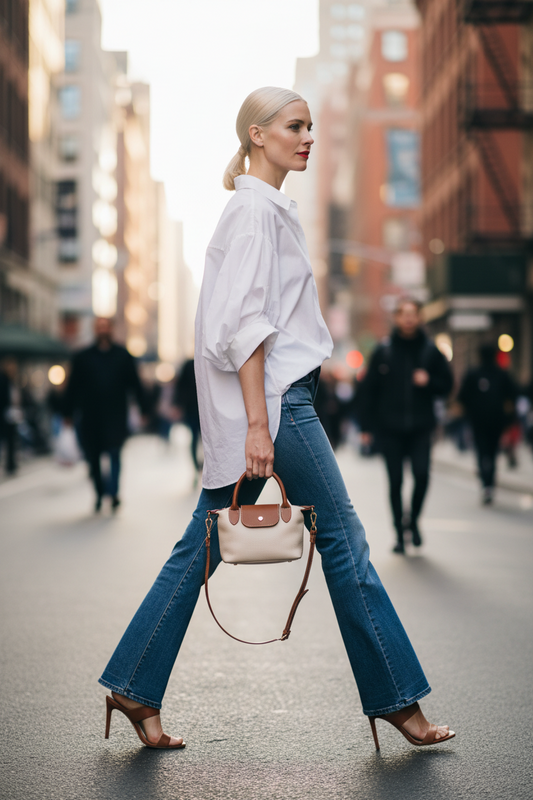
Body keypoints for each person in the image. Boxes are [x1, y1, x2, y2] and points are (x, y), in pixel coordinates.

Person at [98, 88, 454, 751]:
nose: (307, 135)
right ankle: (396, 700)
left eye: (311, 125)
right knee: (343, 540)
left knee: (199, 545)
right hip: (280, 402)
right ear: (256, 135)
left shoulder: (261, 210)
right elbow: (246, 328)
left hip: (271, 401)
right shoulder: (253, 211)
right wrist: (258, 426)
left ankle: (133, 685)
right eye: (294, 125)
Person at [358, 299, 453, 553]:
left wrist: (429, 381)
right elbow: (368, 390)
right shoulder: (384, 351)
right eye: (404, 314)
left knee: (422, 475)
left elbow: (447, 385)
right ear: (397, 318)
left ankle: (414, 521)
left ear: (420, 317)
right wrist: (366, 427)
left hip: (421, 427)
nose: (409, 318)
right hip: (390, 429)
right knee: (395, 482)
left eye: (413, 313)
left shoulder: (431, 351)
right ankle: (400, 533)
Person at [63, 317, 148, 512]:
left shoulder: (123, 356)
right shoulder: (82, 357)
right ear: (95, 330)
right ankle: (100, 493)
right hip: (90, 418)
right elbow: (73, 387)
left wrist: (144, 409)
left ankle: (115, 493)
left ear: (111, 329)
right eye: (99, 327)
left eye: (105, 326)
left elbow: (135, 385)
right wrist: (67, 413)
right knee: (93, 459)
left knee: (115, 454)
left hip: (116, 417)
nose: (102, 330)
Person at [458, 343, 518, 504]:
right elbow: (513, 395)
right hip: (494, 420)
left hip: (479, 421)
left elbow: (462, 396)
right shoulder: (501, 374)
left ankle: (486, 482)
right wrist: (509, 417)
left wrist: (470, 411)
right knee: (491, 452)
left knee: (482, 451)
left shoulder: (474, 374)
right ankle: (488, 482)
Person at [172, 358, 202, 481]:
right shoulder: (190, 364)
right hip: (194, 410)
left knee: (196, 441)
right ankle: (198, 466)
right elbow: (181, 387)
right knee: (197, 440)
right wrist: (178, 405)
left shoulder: (189, 364)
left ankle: (200, 467)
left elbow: (180, 387)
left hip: (196, 410)